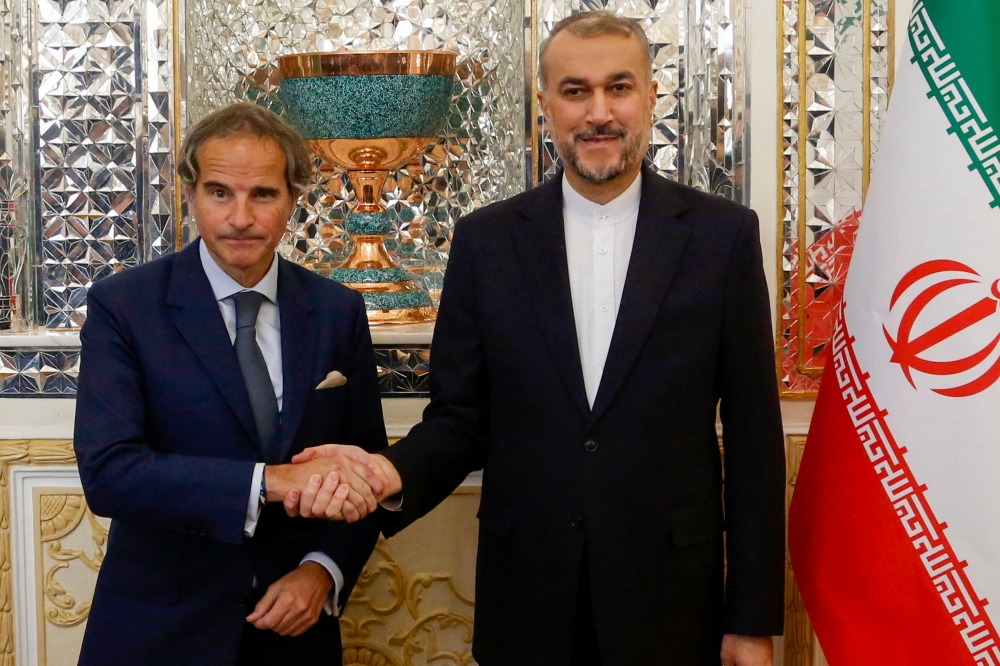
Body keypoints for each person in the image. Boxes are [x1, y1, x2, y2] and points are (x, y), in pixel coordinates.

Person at [291, 11, 785, 666]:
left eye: (619, 87)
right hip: (527, 598)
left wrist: (751, 619)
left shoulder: (722, 237)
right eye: (576, 91)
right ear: (547, 105)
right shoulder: (486, 242)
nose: (599, 112)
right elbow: (461, 420)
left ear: (651, 97)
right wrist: (386, 471)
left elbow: (754, 439)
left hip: (670, 600)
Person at [73, 102, 389, 666]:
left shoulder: (336, 310)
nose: (240, 217)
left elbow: (365, 470)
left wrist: (323, 571)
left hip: (296, 634)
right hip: (159, 631)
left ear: (293, 199)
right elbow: (110, 472)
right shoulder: (123, 306)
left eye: (262, 194)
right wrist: (274, 480)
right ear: (190, 196)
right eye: (220, 192)